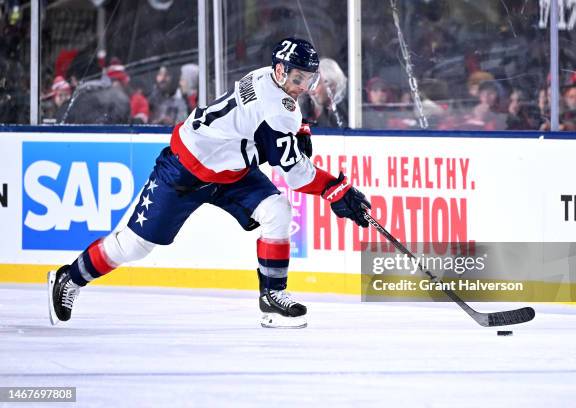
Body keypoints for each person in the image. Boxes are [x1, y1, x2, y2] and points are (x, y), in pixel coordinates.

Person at [47, 38, 371, 329]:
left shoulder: (268, 79)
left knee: (277, 210)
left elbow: (259, 129)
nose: (302, 86)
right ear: (280, 70)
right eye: (297, 78)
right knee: (133, 247)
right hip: (184, 172)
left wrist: (296, 133)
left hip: (230, 168)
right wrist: (336, 188)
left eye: (308, 79)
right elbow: (294, 174)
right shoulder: (278, 108)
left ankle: (273, 297)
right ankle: (70, 278)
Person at [299, 58, 347, 128]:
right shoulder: (301, 109)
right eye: (309, 85)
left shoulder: (345, 114)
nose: (311, 91)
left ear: (332, 85)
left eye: (316, 85)